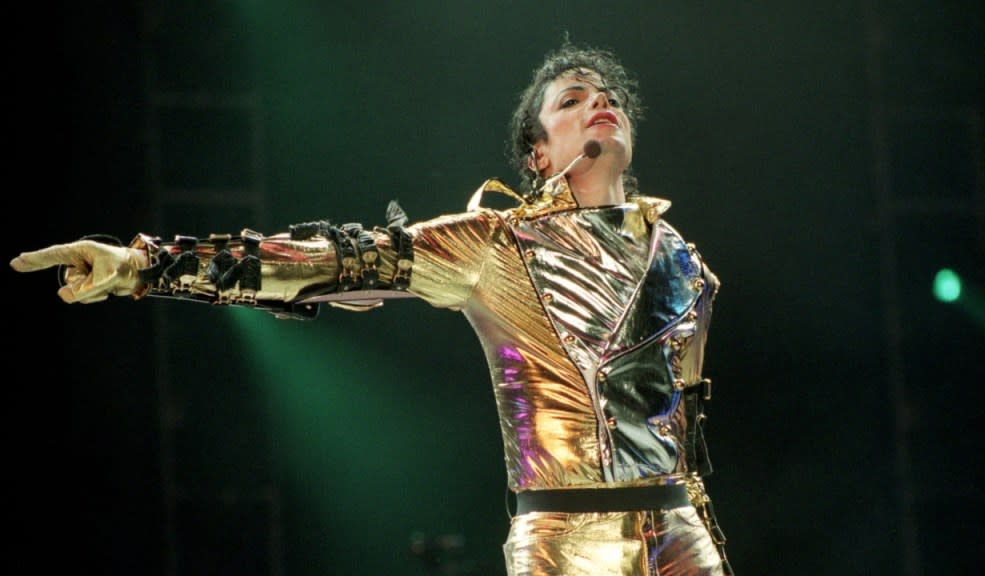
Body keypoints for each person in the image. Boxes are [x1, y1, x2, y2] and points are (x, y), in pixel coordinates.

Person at [11, 41, 733, 576]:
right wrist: (142, 264)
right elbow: (325, 261)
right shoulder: (494, 244)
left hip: (677, 530)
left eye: (605, 94)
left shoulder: (681, 261)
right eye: (569, 101)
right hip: (568, 543)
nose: (596, 99)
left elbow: (685, 430)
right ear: (539, 155)